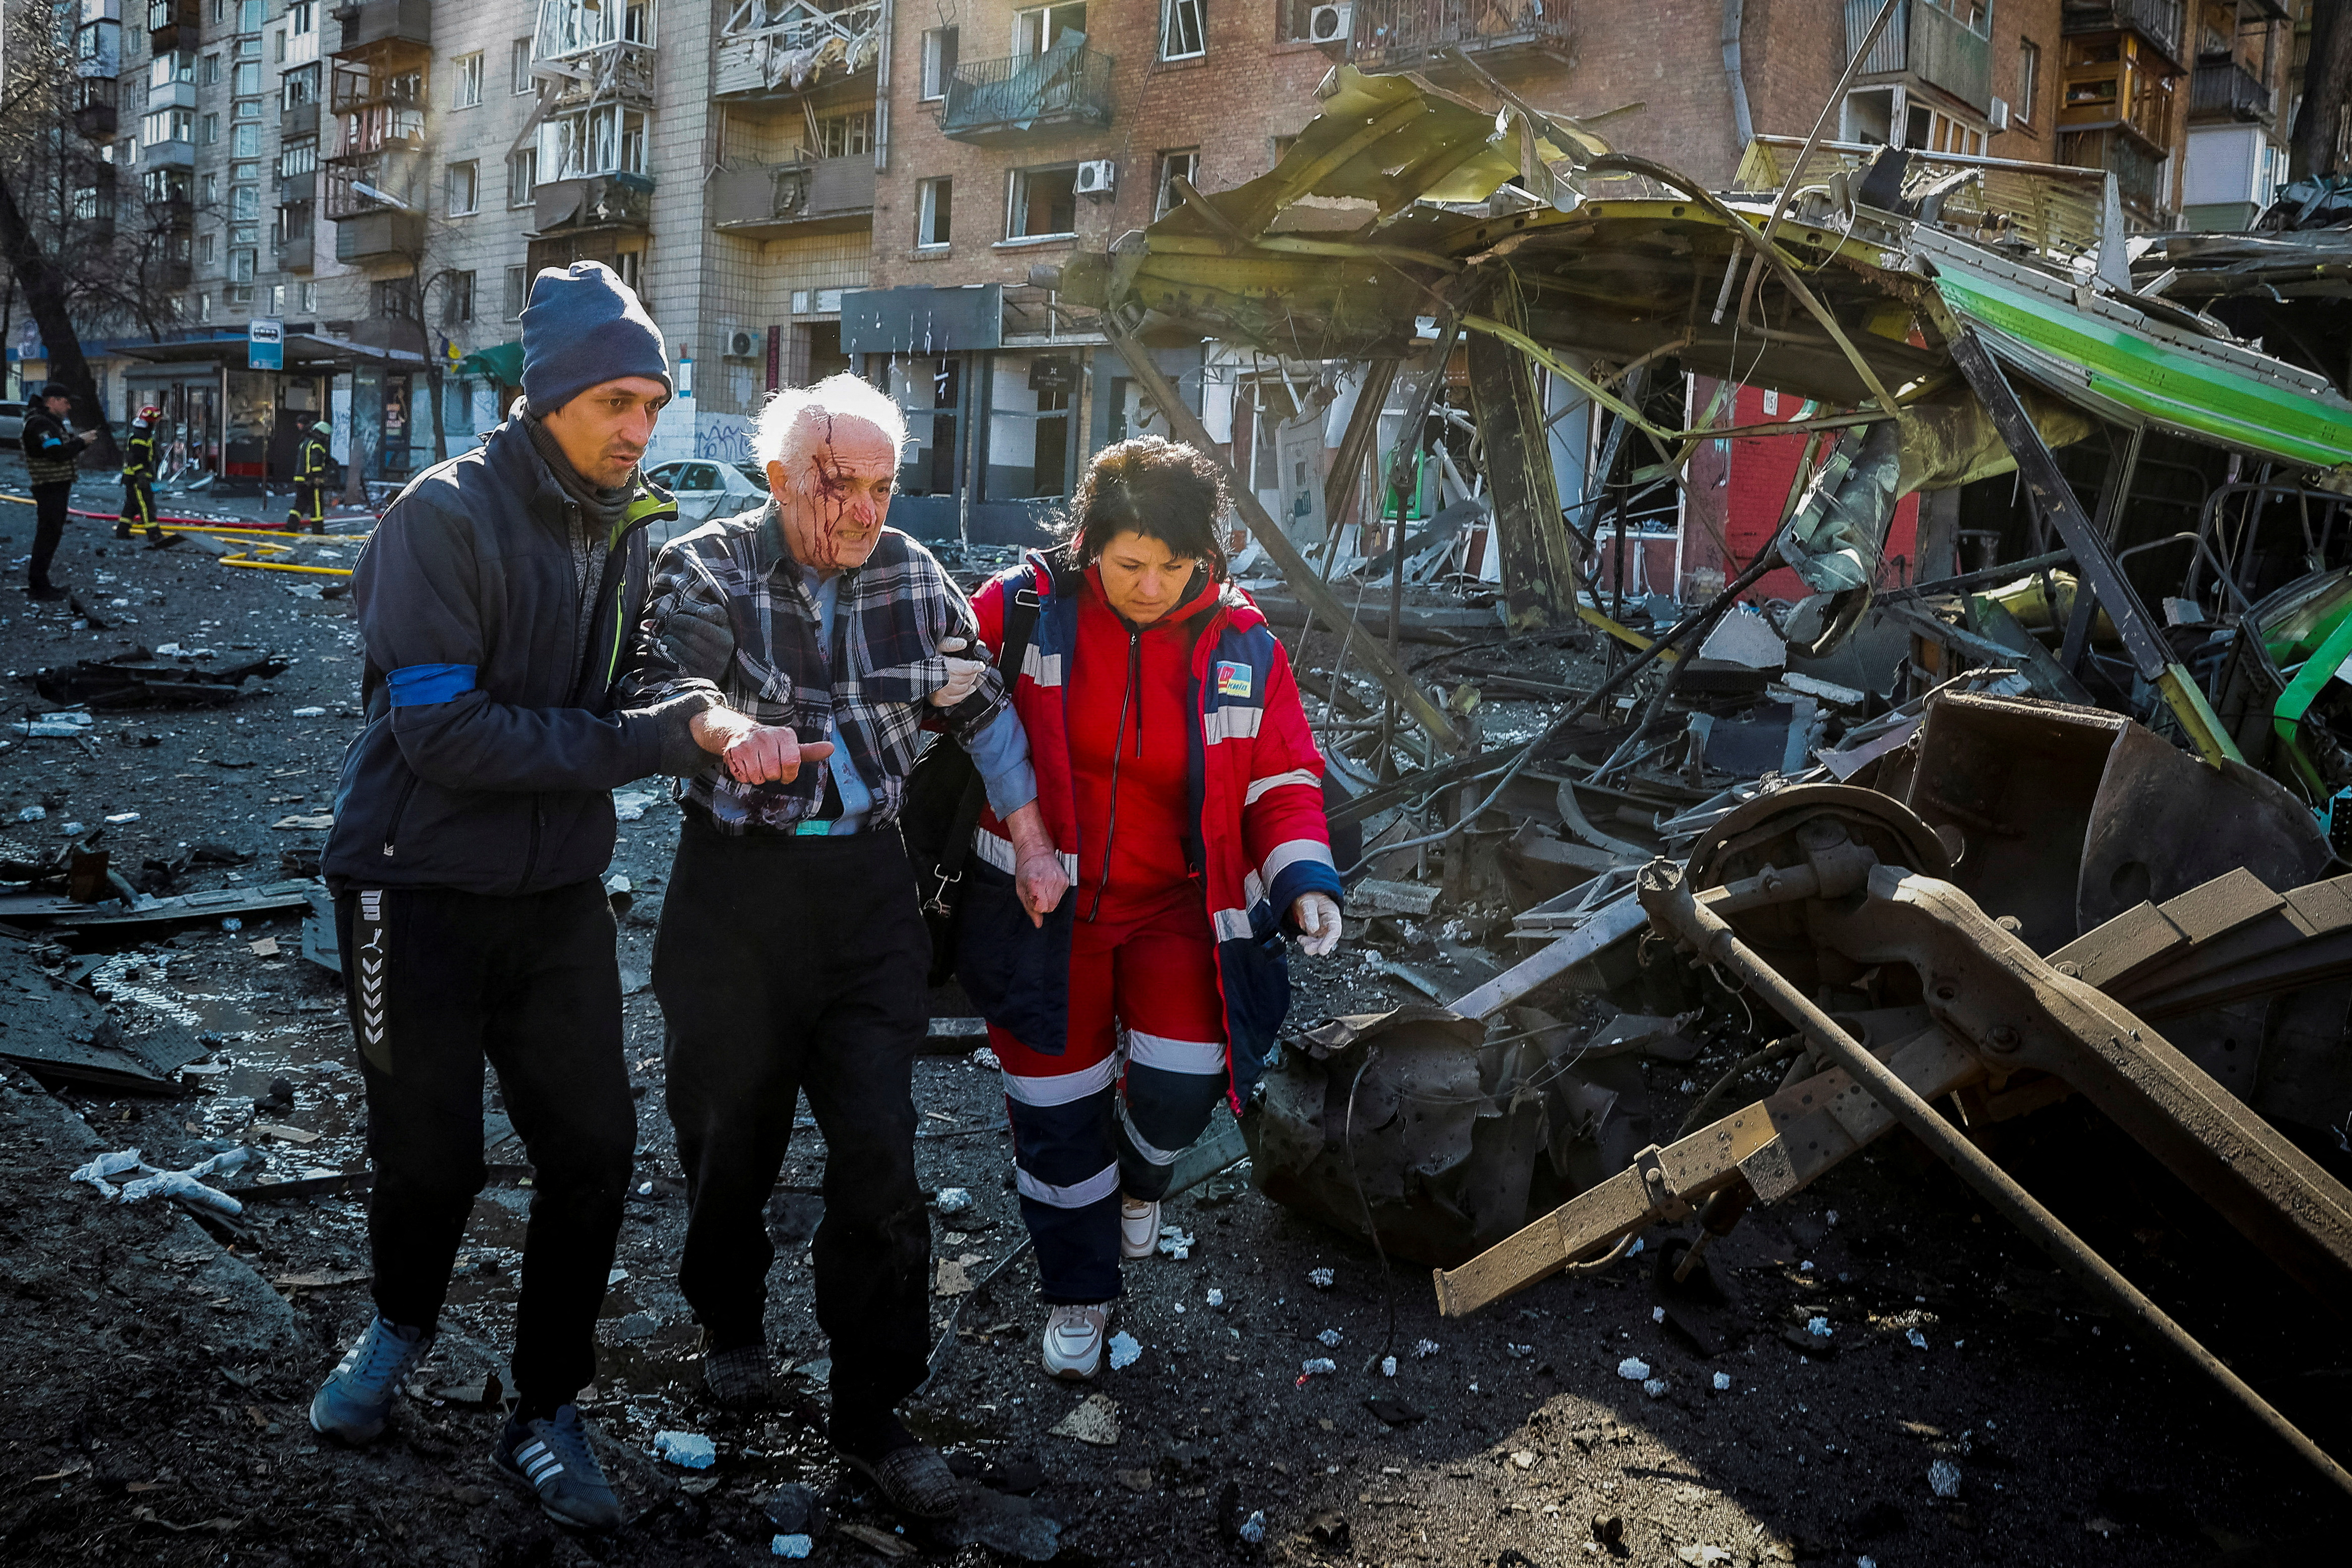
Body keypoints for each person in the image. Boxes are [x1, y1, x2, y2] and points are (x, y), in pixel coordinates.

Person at [310, 261, 725, 1533]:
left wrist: (695, 709)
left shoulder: (625, 525)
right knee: (426, 1155)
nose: (638, 428)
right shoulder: (443, 515)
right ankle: (396, 1326)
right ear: (547, 395)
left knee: (595, 1149)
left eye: (653, 403)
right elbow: (448, 738)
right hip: (407, 885)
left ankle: (544, 1407)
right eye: (616, 399)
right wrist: (650, 744)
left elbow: (610, 699)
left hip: (553, 893)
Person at [623, 372, 1067, 1520]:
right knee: (729, 1143)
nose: (863, 507)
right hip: (732, 896)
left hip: (866, 897)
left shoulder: (914, 574)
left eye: (880, 484)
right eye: (838, 482)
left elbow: (982, 708)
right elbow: (666, 683)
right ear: (779, 478)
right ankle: (728, 1315)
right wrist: (731, 733)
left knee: (880, 1157)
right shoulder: (707, 560)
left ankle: (873, 1409)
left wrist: (1024, 835)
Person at [957, 437, 1344, 1381]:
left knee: (1182, 1082)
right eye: (1130, 564)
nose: (1151, 585)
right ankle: (1078, 1296)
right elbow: (940, 709)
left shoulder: (1240, 640)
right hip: (1043, 909)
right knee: (1054, 1110)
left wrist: (1304, 880)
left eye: (1174, 566)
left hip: (1178, 908)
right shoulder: (1020, 610)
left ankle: (1140, 1180)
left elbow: (1282, 775)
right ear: (1088, 543)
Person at [20, 382, 97, 600]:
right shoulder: (41, 425)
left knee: (51, 534)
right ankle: (39, 586)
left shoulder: (50, 423)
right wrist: (81, 442)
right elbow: (56, 453)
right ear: (52, 401)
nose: (69, 407)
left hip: (56, 485)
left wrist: (78, 442)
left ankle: (41, 583)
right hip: (49, 486)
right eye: (65, 402)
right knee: (48, 535)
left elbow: (57, 450)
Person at [116, 405, 162, 544]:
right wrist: (142, 475)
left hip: (133, 477)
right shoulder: (140, 437)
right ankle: (154, 534)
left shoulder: (141, 434)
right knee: (146, 505)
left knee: (131, 505)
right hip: (137, 478)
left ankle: (122, 531)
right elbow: (136, 458)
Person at [289, 414, 333, 533]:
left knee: (300, 504)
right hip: (311, 480)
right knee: (317, 505)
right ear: (322, 434)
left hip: (299, 479)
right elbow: (315, 463)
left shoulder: (305, 443)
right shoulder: (317, 445)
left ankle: (291, 527)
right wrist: (318, 477)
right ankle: (318, 531)